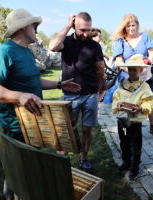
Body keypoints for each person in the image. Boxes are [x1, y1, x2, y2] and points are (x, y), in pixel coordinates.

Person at [0, 9, 81, 200]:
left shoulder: (26, 52)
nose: (37, 30)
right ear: (22, 27)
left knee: (30, 173)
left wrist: (59, 84)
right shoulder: (3, 52)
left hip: (33, 124)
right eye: (34, 26)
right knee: (17, 176)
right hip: (15, 127)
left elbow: (33, 81)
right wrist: (20, 97)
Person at [49, 12, 106, 172]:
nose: (86, 34)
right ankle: (61, 160)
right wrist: (67, 26)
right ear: (74, 26)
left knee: (87, 129)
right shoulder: (65, 42)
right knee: (67, 129)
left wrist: (102, 86)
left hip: (90, 95)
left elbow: (100, 68)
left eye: (88, 30)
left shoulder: (94, 46)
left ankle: (84, 159)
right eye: (82, 30)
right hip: (70, 95)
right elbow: (52, 46)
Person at [105, 13, 153, 137]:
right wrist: (130, 71)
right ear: (124, 27)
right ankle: (128, 125)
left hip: (145, 74)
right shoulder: (121, 41)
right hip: (127, 76)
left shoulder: (145, 36)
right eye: (128, 26)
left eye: (133, 25)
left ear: (137, 25)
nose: (131, 29)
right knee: (127, 102)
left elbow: (151, 53)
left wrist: (147, 65)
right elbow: (118, 61)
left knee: (148, 100)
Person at [112, 54, 153, 180]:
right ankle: (126, 162)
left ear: (141, 70)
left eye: (134, 70)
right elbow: (116, 97)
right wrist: (119, 104)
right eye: (130, 69)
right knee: (124, 143)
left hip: (135, 122)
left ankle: (135, 166)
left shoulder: (144, 86)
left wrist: (141, 107)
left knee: (135, 145)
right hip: (122, 120)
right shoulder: (122, 84)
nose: (131, 72)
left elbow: (150, 101)